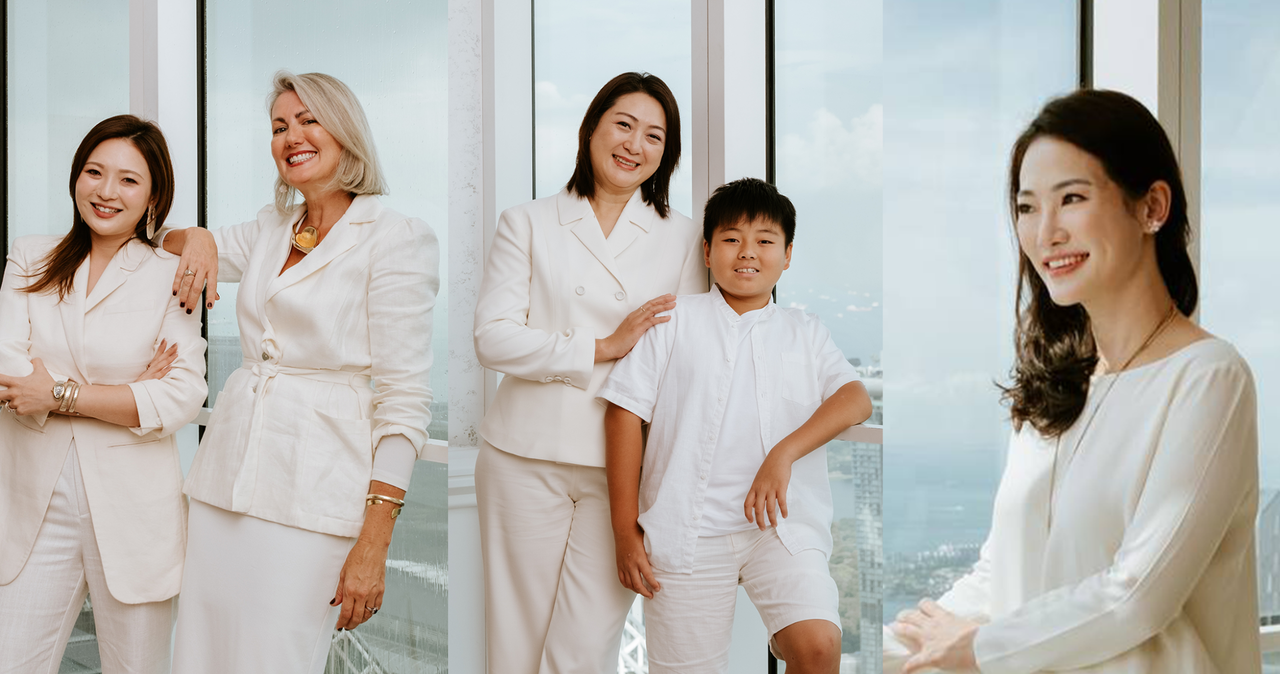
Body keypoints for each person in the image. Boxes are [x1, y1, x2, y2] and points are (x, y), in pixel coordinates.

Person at [885, 89, 1260, 673]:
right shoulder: (1054, 385)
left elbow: (1136, 598)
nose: (1046, 232)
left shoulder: (1209, 378)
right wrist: (894, 648)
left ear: (1152, 207)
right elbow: (1003, 571)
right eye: (1027, 207)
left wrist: (977, 647)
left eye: (1072, 199)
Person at [163, 71, 439, 674]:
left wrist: (375, 541)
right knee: (199, 655)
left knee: (278, 658)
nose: (292, 136)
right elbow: (162, 241)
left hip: (316, 493)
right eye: (279, 126)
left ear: (345, 131)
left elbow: (404, 399)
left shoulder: (396, 238)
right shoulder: (270, 227)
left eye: (309, 121)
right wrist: (201, 236)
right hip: (223, 484)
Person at [472, 71, 705, 673]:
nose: (634, 144)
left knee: (582, 652)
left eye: (653, 136)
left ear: (666, 153)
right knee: (515, 642)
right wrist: (603, 345)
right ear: (592, 129)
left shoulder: (684, 238)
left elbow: (684, 361)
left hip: (621, 470)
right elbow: (492, 338)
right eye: (623, 125)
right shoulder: (527, 221)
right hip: (524, 455)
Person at [598, 178, 873, 674]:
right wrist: (624, 532)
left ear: (787, 255)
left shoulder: (806, 331)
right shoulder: (672, 321)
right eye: (731, 239)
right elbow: (623, 415)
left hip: (780, 528)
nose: (747, 252)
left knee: (818, 648)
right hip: (687, 532)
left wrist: (782, 454)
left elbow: (855, 400)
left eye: (765, 240)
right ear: (707, 251)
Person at [0, 115, 207, 673]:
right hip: (32, 508)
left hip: (134, 517)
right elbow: (8, 369)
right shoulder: (31, 257)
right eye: (94, 172)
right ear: (76, 177)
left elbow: (181, 396)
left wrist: (58, 393)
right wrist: (129, 392)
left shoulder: (171, 274)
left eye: (128, 180)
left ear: (153, 196)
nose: (106, 191)